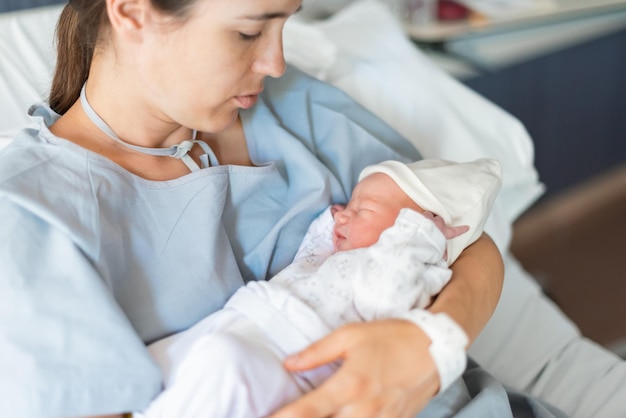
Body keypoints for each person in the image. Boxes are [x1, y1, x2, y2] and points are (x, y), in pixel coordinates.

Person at [0, 0, 505, 417]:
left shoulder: (289, 103)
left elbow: (468, 244)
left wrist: (431, 349)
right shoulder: (29, 208)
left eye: (286, 23)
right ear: (132, 12)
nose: (275, 62)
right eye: (248, 32)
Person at [139, 157, 502, 418]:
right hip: (250, 315)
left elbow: (383, 297)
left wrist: (415, 239)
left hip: (291, 354)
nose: (343, 212)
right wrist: (339, 222)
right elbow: (309, 254)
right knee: (158, 363)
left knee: (223, 364)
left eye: (364, 210)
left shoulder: (413, 270)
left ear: (415, 229)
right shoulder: (340, 252)